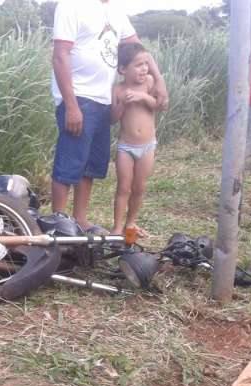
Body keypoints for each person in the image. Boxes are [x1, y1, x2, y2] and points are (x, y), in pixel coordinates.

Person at [51, 0, 168, 233]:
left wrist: (160, 80)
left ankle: (80, 220)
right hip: (80, 97)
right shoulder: (70, 5)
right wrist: (72, 106)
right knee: (69, 162)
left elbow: (138, 48)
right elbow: (60, 56)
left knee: (90, 166)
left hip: (103, 98)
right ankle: (57, 223)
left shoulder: (114, 10)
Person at [109, 43, 158, 237]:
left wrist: (142, 97)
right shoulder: (118, 90)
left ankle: (131, 223)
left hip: (147, 146)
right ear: (123, 69)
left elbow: (160, 104)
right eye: (139, 65)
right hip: (126, 147)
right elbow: (112, 119)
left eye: (146, 64)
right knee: (123, 187)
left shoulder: (150, 83)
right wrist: (122, 104)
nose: (145, 68)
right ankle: (117, 227)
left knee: (139, 187)